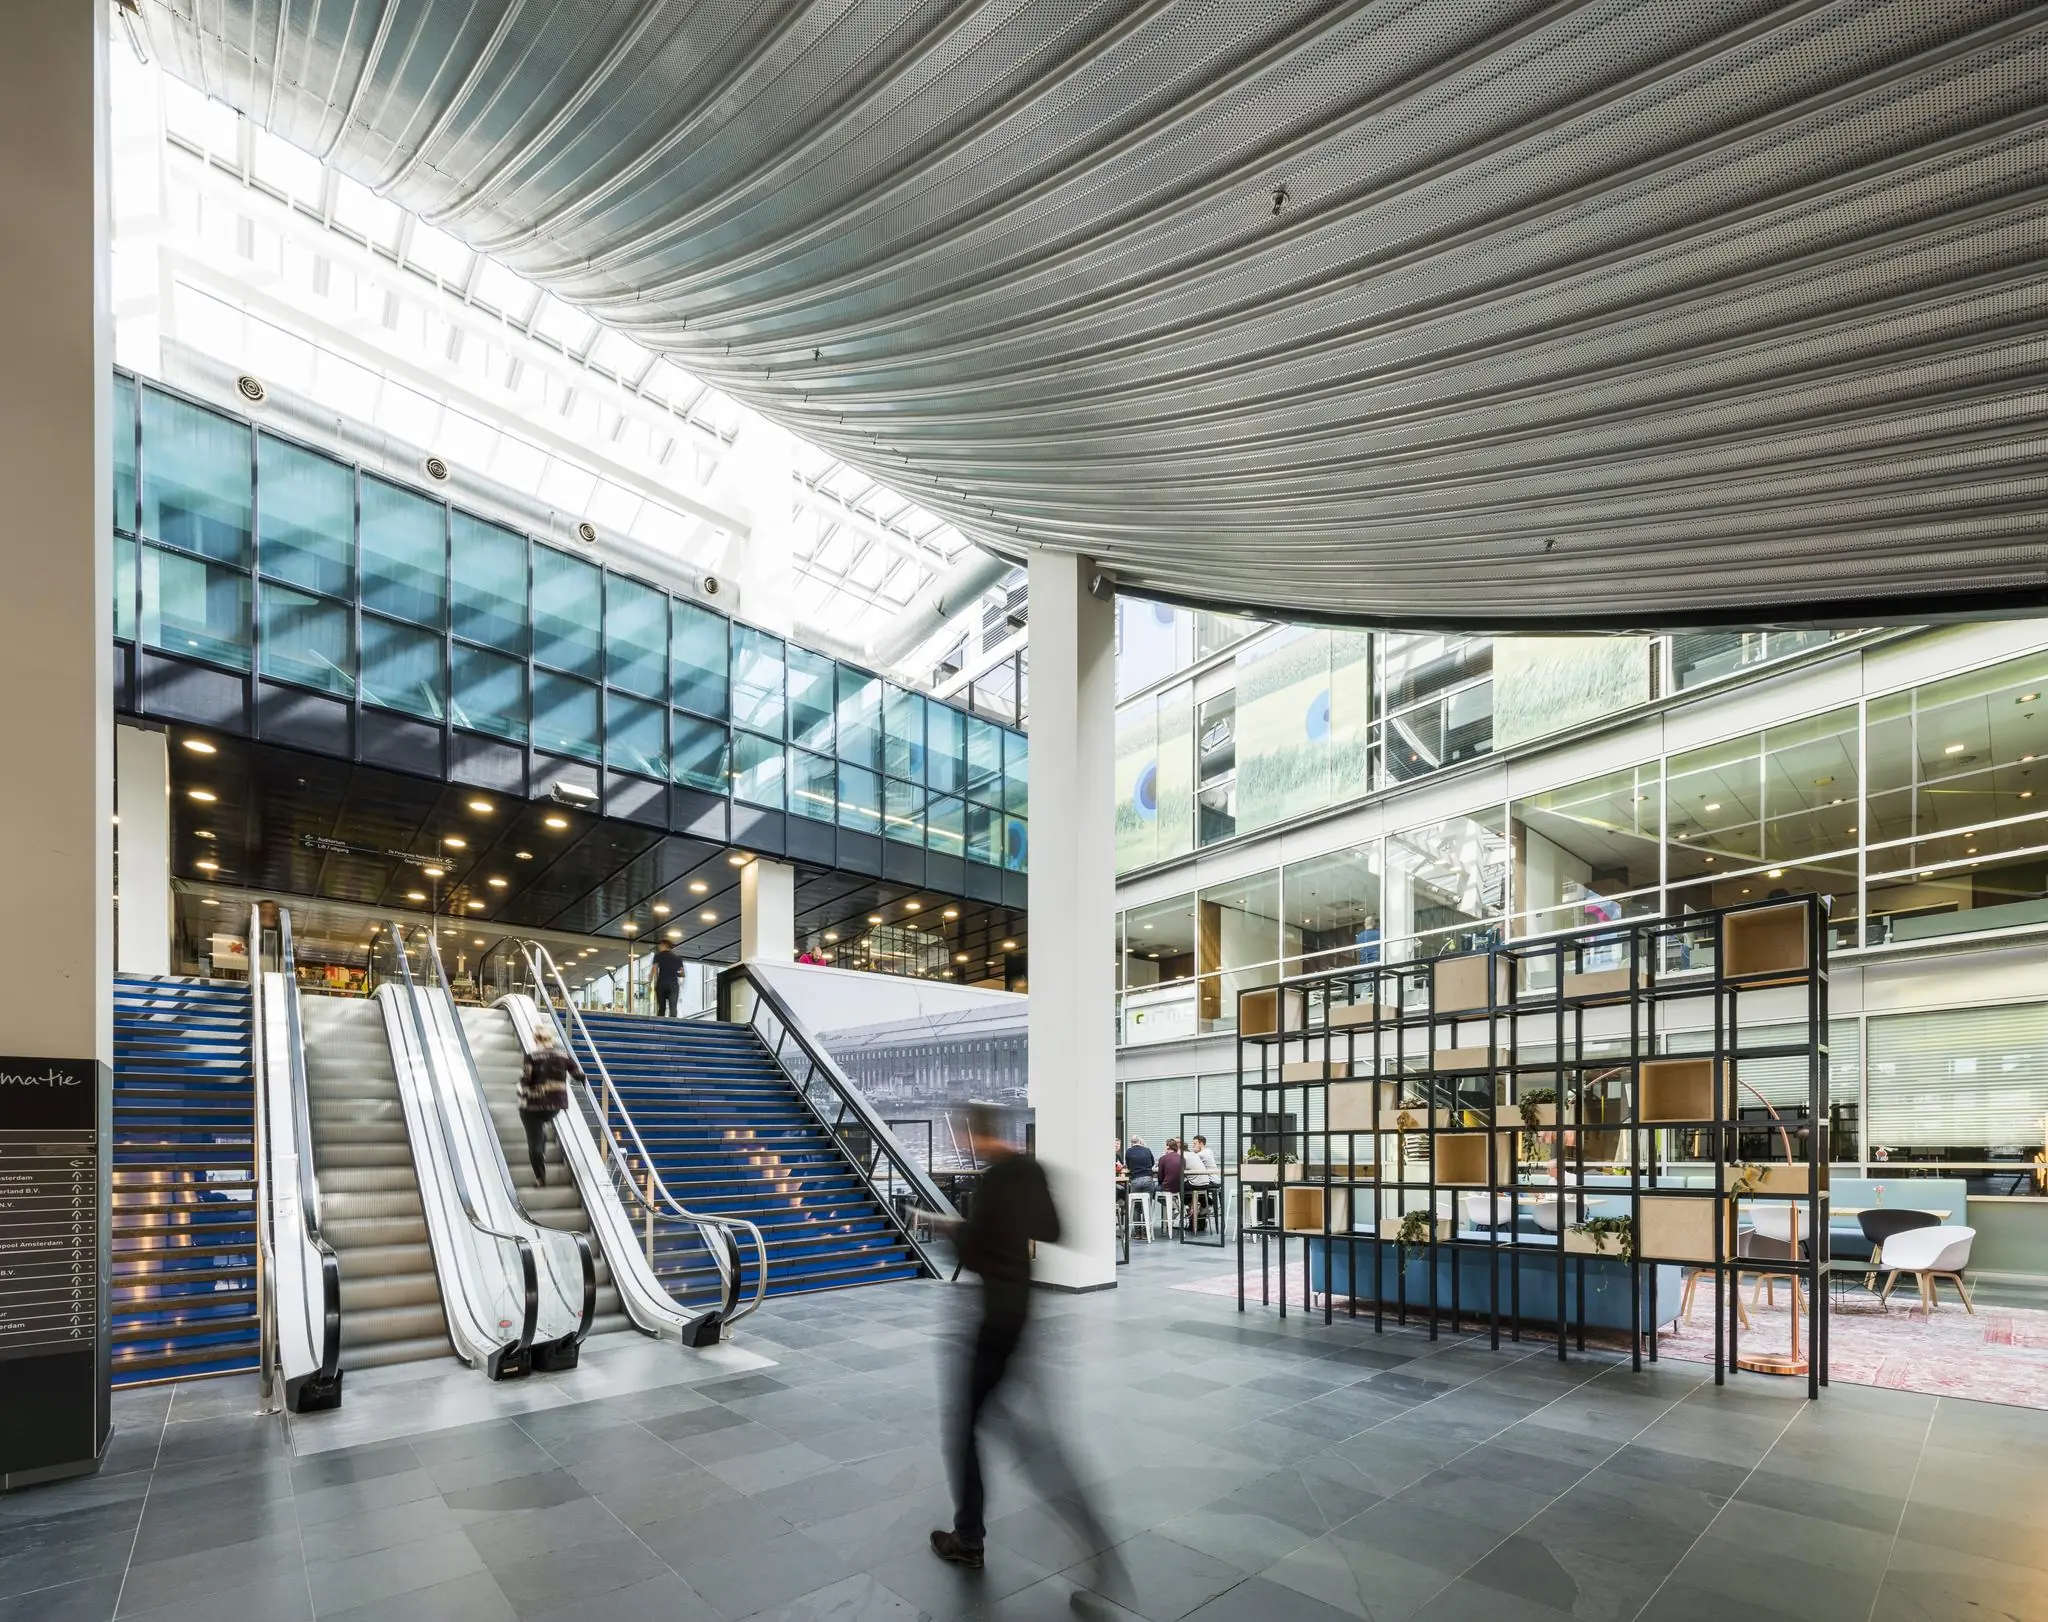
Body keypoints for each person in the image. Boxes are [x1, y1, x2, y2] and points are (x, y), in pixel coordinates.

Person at [919, 1105, 1116, 1584]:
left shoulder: (993, 1184)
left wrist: (950, 1229)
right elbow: (1052, 1231)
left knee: (967, 1430)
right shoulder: (1031, 1169)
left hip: (993, 1323)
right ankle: (1093, 1539)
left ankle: (968, 1539)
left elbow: (975, 1255)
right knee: (1031, 1438)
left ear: (975, 1137)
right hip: (1024, 1316)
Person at [517, 1028, 582, 1187]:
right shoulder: (564, 1055)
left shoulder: (531, 1057)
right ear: (550, 1040)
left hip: (532, 1107)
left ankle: (540, 1177)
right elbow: (578, 1075)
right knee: (541, 1124)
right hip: (554, 1106)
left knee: (534, 1144)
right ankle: (542, 1135)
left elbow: (526, 1080)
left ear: (536, 1041)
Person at [1183, 1134, 1220, 1232]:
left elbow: (1190, 1159)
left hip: (1211, 1180)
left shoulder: (1201, 1154)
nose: (1193, 1146)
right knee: (1197, 1187)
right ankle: (1204, 1207)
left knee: (1196, 1186)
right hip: (1215, 1179)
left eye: (1195, 1144)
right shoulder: (1209, 1151)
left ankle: (1207, 1205)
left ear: (1201, 1143)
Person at [651, 941, 683, 1018]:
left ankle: (659, 1026)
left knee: (662, 1008)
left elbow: (654, 970)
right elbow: (682, 973)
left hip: (661, 984)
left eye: (660, 945)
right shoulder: (677, 958)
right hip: (673, 985)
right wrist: (675, 972)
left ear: (664, 945)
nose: (659, 947)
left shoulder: (658, 956)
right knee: (673, 1008)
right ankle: (672, 1026)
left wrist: (652, 983)